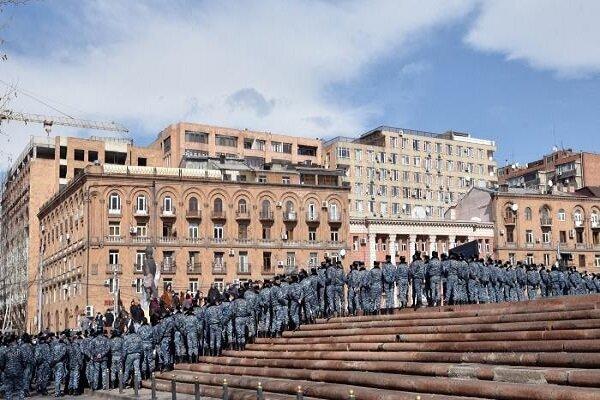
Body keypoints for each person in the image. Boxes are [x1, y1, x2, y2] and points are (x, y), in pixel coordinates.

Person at [122, 325, 143, 390]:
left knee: (127, 369)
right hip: (137, 354)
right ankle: (138, 383)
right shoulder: (138, 337)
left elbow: (124, 348)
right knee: (137, 369)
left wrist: (123, 357)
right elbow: (141, 347)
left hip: (129, 355)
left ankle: (124, 383)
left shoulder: (127, 338)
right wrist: (140, 354)